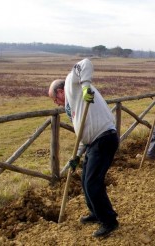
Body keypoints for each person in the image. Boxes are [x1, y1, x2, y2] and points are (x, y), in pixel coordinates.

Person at [48, 58, 119, 238]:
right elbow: (82, 134)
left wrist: (86, 86)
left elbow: (85, 63)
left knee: (92, 182)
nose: (55, 103)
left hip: (104, 138)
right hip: (93, 142)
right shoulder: (73, 107)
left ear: (60, 91)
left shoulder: (73, 85)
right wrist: (77, 156)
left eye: (54, 99)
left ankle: (109, 221)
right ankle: (96, 212)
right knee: (86, 180)